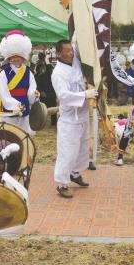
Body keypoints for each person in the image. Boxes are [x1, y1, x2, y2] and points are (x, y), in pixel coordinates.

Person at [52, 39, 97, 199]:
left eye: (71, 50)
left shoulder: (76, 62)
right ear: (59, 54)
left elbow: (79, 38)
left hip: (83, 114)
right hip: (70, 119)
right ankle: (62, 183)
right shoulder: (58, 73)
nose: (71, 53)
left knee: (83, 149)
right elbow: (64, 96)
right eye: (68, 51)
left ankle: (75, 173)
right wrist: (85, 95)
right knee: (68, 152)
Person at [0, 30, 39, 136]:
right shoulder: (4, 73)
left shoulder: (28, 72)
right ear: (8, 57)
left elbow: (32, 89)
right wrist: (15, 105)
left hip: (25, 106)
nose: (15, 59)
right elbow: (4, 94)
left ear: (22, 56)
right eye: (12, 57)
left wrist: (34, 95)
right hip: (9, 108)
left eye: (17, 56)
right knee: (11, 135)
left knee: (25, 135)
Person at [36, 62, 57, 126]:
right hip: (50, 95)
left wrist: (41, 91)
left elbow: (37, 86)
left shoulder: (41, 76)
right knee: (51, 110)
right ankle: (53, 122)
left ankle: (42, 122)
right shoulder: (53, 76)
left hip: (46, 95)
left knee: (43, 110)